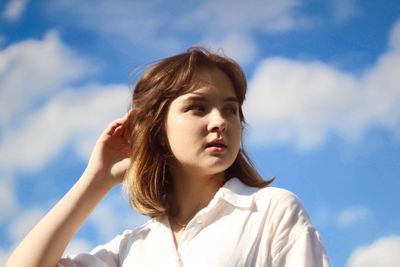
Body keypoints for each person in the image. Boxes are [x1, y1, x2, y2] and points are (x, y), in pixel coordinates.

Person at [6, 47, 331, 267]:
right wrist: (95, 181)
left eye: (230, 110)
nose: (220, 121)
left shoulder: (271, 211)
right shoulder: (129, 251)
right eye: (198, 108)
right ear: (157, 128)